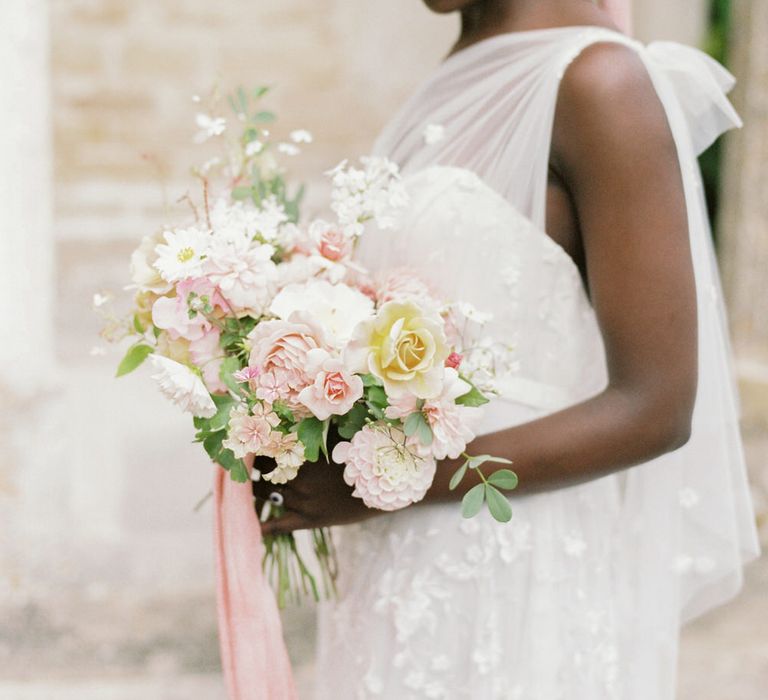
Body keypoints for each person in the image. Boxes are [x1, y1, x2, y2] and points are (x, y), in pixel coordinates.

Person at [249, 1, 759, 697]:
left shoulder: (600, 83)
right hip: (394, 571)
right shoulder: (455, 72)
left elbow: (657, 407)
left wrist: (384, 487)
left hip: (514, 561)